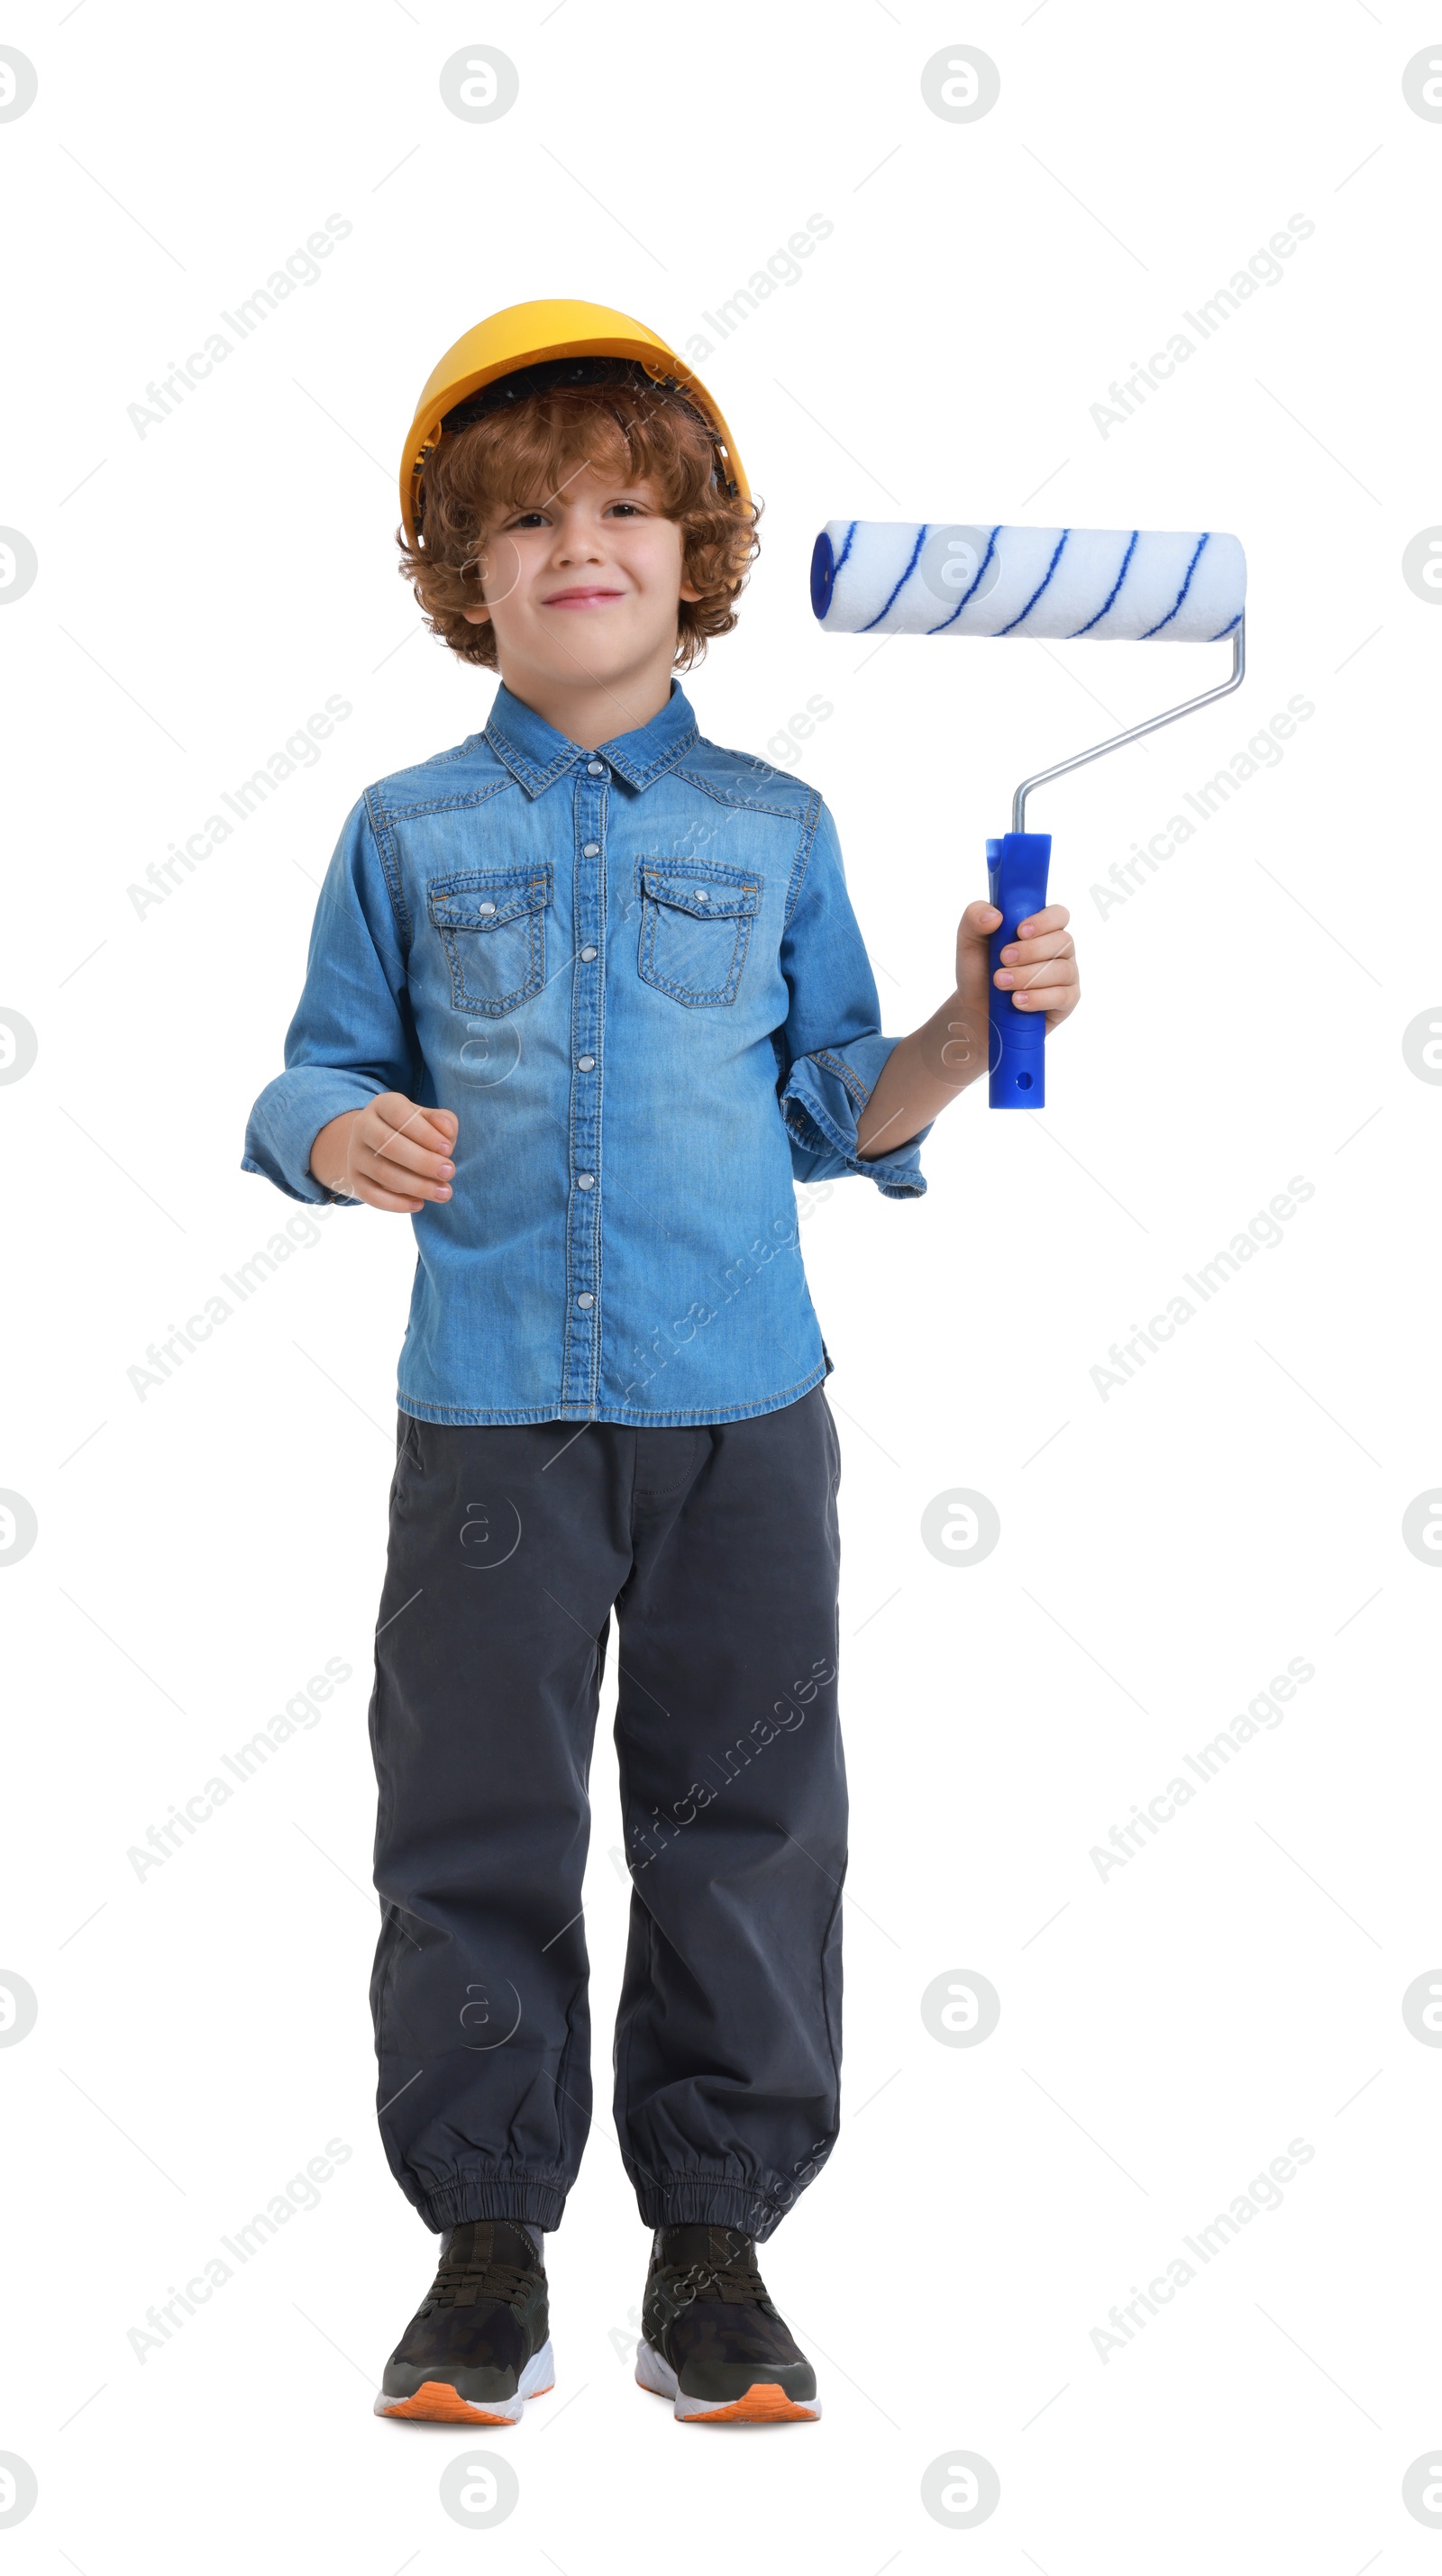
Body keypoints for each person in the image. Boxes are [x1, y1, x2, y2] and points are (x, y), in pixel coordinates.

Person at [242, 301, 1081, 2427]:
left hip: (740, 1422)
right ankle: (485, 2243)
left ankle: (708, 2243)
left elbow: (836, 1108)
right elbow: (315, 1071)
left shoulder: (777, 828)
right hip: (491, 1423)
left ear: (694, 549)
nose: (578, 543)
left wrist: (972, 1037)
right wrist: (336, 1134)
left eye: (623, 502)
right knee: (470, 1821)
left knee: (743, 1814)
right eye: (523, 519)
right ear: (465, 573)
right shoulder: (403, 830)